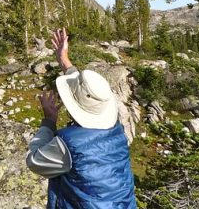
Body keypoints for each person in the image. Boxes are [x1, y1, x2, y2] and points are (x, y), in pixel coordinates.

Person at [26, 28, 137, 208]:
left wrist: (49, 122)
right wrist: (64, 60)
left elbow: (34, 161)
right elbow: (86, 91)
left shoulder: (68, 145)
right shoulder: (115, 129)